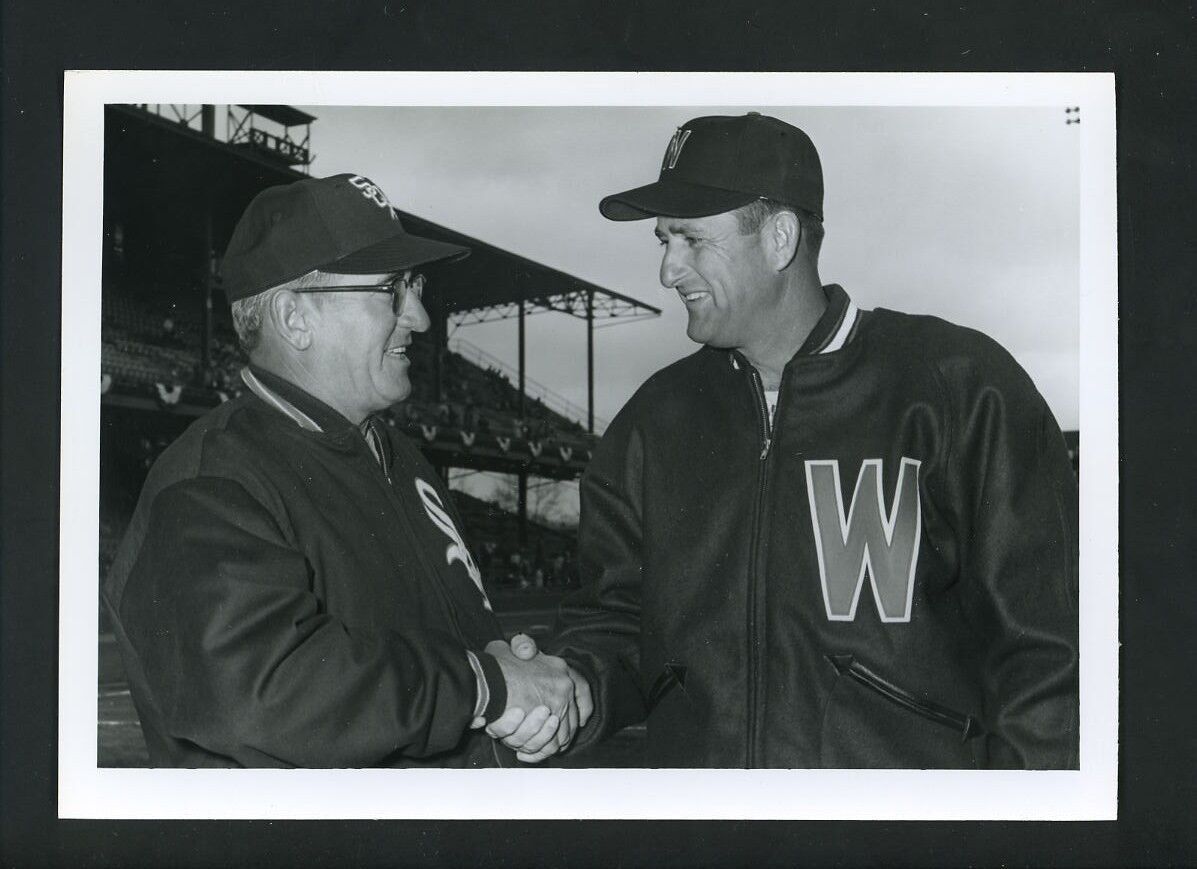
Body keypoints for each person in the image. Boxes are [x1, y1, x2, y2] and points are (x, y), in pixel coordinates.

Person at [545, 113, 1078, 768]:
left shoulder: (958, 388)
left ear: (778, 238)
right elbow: (617, 627)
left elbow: (1047, 660)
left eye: (689, 240)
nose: (666, 270)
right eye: (662, 241)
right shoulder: (652, 422)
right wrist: (573, 688)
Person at [103, 172, 589, 768]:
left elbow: (463, 659)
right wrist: (487, 686)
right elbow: (261, 695)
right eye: (392, 289)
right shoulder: (212, 481)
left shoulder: (401, 456)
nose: (420, 316)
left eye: (416, 286)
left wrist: (516, 679)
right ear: (294, 318)